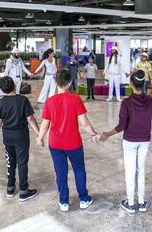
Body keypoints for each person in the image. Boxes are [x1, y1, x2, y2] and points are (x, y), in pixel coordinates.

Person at [100, 70, 152, 213]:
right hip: (145, 141)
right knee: (140, 170)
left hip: (129, 141)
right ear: (144, 83)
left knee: (130, 171)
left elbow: (121, 126)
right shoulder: (151, 101)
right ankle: (141, 203)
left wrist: (107, 134)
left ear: (131, 84)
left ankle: (130, 203)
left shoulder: (127, 103)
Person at [37, 69, 99, 212]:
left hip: (55, 144)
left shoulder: (49, 101)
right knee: (79, 169)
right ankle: (83, 199)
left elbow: (45, 124)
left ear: (55, 82)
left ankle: (64, 201)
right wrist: (94, 134)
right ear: (70, 82)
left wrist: (40, 138)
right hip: (73, 143)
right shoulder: (75, 99)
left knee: (61, 172)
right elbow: (84, 123)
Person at [0, 76, 40, 200]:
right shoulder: (23, 100)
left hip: (7, 136)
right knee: (22, 162)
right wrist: (39, 133)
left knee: (10, 161)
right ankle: (23, 191)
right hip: (21, 136)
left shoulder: (1, 102)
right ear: (14, 85)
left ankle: (10, 188)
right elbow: (30, 118)